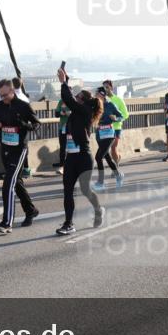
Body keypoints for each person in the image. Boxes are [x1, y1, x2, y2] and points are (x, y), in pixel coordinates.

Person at [56, 68, 105, 235]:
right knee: (67, 190)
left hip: (84, 157)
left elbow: (68, 100)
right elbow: (69, 100)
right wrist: (66, 81)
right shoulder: (76, 113)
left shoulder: (85, 112)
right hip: (71, 157)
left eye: (78, 97)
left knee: (85, 189)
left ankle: (98, 209)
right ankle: (68, 223)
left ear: (83, 101)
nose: (75, 99)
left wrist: (63, 82)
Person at [0, 79, 40, 233]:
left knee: (8, 185)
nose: (2, 97)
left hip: (19, 149)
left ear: (12, 91)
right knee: (16, 182)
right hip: (5, 148)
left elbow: (37, 124)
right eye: (0, 94)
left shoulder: (23, 106)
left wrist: (25, 125)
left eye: (5, 94)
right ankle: (31, 210)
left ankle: (6, 223)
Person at [92, 87, 125, 191]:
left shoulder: (110, 105)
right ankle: (118, 175)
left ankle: (101, 182)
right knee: (107, 157)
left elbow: (121, 116)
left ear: (102, 95)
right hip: (99, 135)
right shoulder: (95, 106)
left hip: (109, 135)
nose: (95, 96)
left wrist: (116, 119)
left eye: (97, 94)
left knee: (98, 157)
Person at [102, 80, 129, 168]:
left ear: (111, 88)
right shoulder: (101, 100)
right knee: (106, 149)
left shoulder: (118, 100)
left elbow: (125, 115)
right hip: (104, 128)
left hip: (116, 128)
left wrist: (116, 119)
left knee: (113, 147)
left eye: (107, 87)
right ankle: (117, 158)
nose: (105, 89)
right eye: (104, 87)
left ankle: (116, 167)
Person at [52, 97, 70, 168]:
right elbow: (56, 114)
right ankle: (62, 162)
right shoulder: (61, 101)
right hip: (62, 127)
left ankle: (71, 162)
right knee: (62, 146)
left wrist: (66, 113)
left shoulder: (73, 101)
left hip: (72, 127)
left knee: (72, 145)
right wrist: (62, 113)